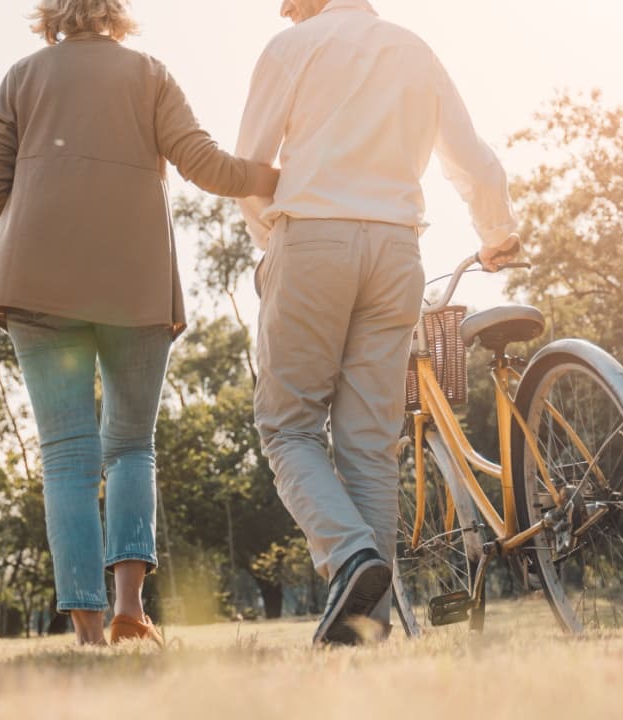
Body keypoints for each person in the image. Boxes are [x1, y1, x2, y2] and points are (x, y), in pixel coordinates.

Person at [0, 0, 278, 647]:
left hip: (37, 285)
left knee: (66, 457)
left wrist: (48, 189)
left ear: (52, 11)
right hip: (134, 287)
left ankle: (85, 630)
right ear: (116, 10)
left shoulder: (21, 76)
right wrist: (278, 177)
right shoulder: (149, 74)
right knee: (132, 444)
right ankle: (130, 612)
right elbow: (207, 166)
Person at [237, 0, 521, 645]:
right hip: (398, 250)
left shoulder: (294, 48)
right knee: (368, 445)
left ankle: (349, 556)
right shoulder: (412, 47)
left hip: (311, 240)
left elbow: (250, 171)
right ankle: (366, 629)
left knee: (288, 427)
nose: (284, 10)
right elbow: (472, 159)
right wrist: (497, 232)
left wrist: (270, 245)